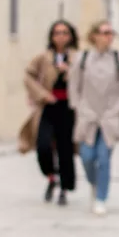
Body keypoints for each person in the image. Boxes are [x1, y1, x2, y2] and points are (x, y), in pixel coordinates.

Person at [69, 20, 119, 216]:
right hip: (88, 115)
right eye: (104, 32)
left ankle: (101, 198)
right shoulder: (83, 59)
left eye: (111, 33)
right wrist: (78, 107)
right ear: (94, 35)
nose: (108, 36)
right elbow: (74, 86)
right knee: (87, 157)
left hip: (110, 116)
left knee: (104, 158)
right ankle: (94, 183)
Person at [19, 20, 79, 205]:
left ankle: (64, 188)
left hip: (68, 108)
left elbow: (85, 80)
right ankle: (51, 177)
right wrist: (41, 95)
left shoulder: (78, 58)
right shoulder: (43, 58)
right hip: (48, 107)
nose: (60, 36)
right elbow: (28, 76)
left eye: (64, 32)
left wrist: (70, 72)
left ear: (70, 36)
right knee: (43, 145)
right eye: (57, 33)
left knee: (65, 148)